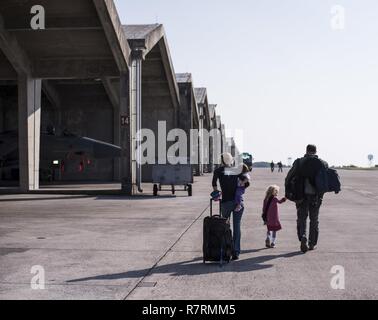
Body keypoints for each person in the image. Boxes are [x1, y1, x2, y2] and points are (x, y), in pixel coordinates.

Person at [286, 144, 328, 253]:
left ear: (306, 150)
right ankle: (312, 243)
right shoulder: (323, 163)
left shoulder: (299, 162)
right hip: (316, 197)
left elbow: (288, 177)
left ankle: (303, 236)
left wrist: (288, 192)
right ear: (316, 151)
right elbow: (326, 182)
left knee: (302, 218)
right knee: (314, 220)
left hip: (301, 196)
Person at [212, 153, 249, 261]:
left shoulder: (218, 171)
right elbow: (246, 180)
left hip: (226, 202)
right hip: (238, 202)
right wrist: (239, 187)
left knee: (226, 227)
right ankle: (236, 252)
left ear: (222, 161)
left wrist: (216, 192)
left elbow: (214, 183)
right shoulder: (235, 170)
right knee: (237, 226)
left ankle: (226, 250)